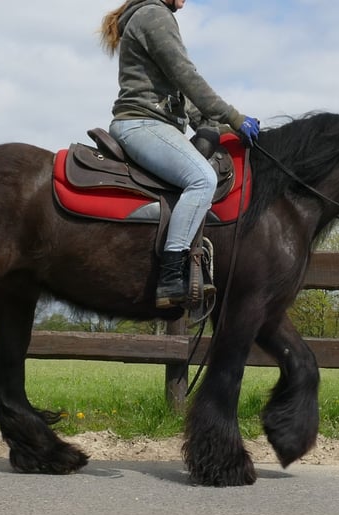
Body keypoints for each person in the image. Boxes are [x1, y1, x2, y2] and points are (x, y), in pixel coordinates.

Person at [99, 0, 260, 309]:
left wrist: (213, 124)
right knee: (202, 179)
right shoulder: (154, 15)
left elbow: (179, 93)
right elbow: (187, 76)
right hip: (141, 124)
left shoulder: (154, 16)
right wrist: (236, 118)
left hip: (158, 124)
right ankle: (171, 274)